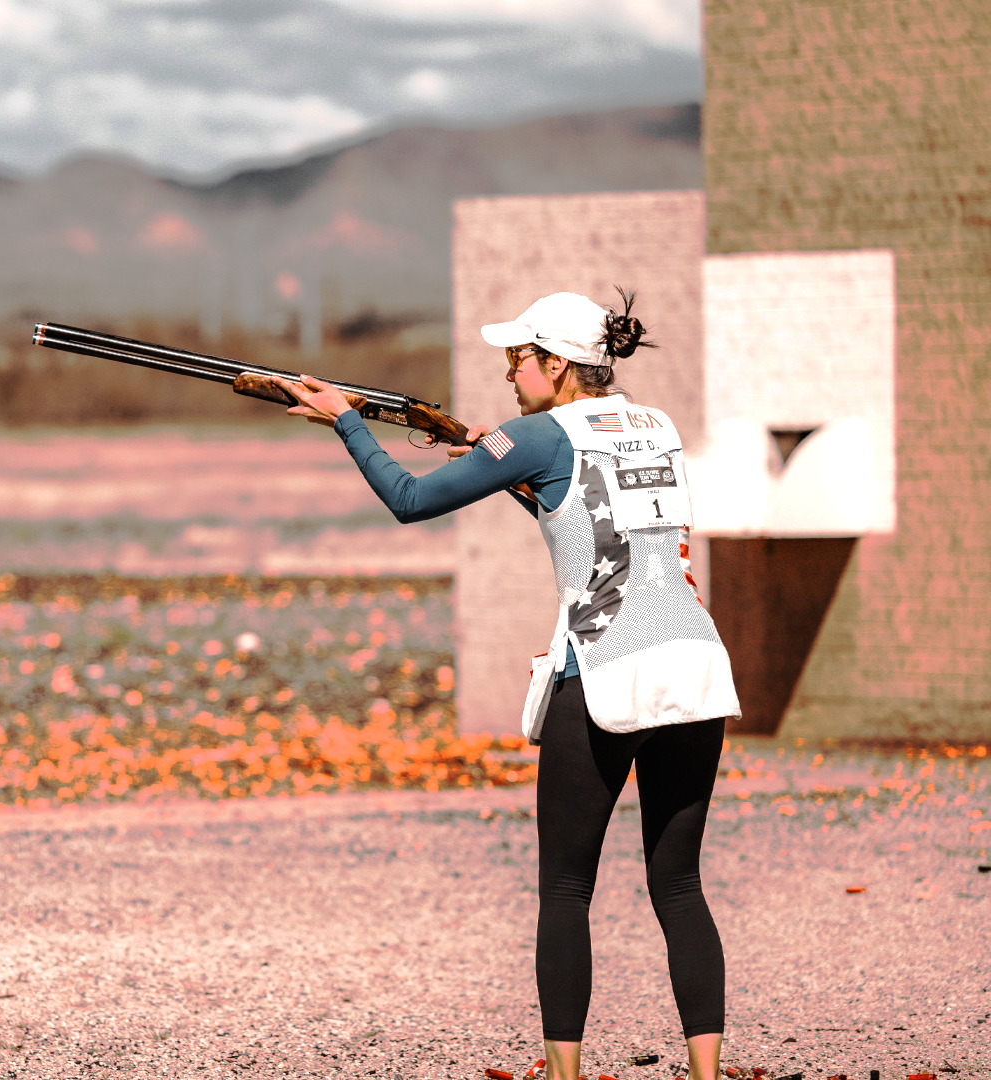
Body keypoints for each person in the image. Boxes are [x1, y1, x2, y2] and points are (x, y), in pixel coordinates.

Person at [275, 290, 739, 1080]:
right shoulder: (656, 425)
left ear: (556, 364)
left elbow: (411, 499)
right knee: (680, 884)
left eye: (518, 359)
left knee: (564, 888)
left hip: (601, 669)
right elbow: (591, 515)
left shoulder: (535, 434)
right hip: (695, 663)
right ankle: (706, 1072)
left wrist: (346, 422)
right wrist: (502, 466)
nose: (508, 373)